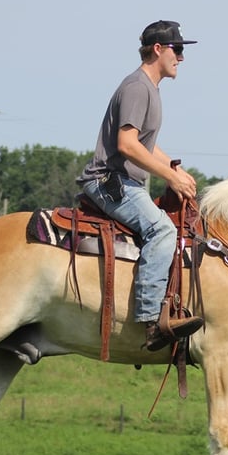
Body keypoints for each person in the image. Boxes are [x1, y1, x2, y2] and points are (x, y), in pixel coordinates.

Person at [78, 20, 203, 351]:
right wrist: (168, 176)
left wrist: (173, 167)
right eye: (177, 50)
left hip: (127, 182)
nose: (181, 57)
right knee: (162, 231)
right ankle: (151, 322)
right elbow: (127, 144)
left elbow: (145, 145)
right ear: (158, 50)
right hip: (111, 182)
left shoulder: (149, 88)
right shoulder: (137, 88)